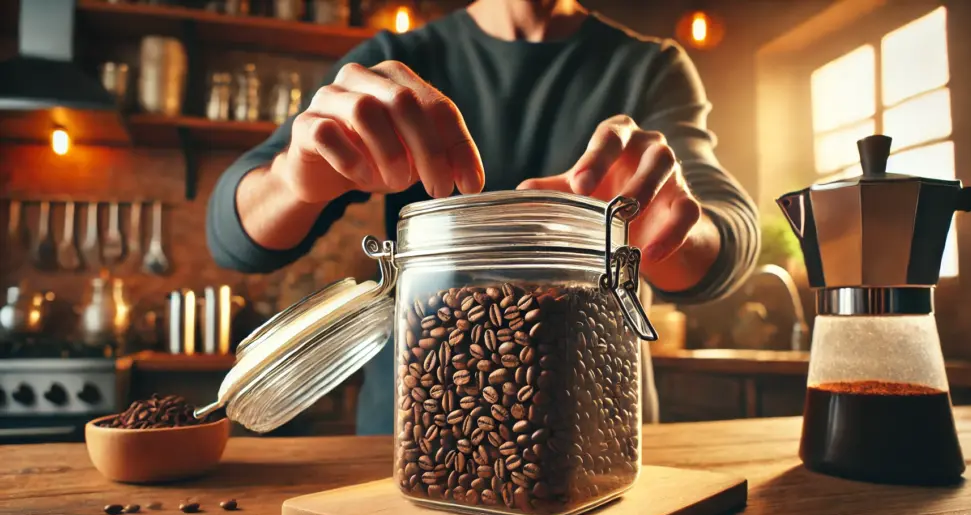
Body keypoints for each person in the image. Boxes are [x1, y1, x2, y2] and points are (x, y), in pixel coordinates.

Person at [207, 0, 759, 434]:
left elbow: (728, 241)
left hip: (594, 424)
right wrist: (291, 181)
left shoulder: (649, 67)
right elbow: (234, 238)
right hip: (419, 422)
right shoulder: (396, 55)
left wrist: (664, 235)